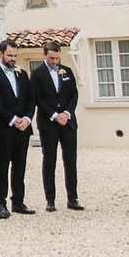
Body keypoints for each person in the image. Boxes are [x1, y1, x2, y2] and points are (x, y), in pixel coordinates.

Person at [30, 41, 84, 210]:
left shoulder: (67, 71)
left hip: (68, 122)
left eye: (57, 58)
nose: (54, 61)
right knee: (49, 160)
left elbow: (74, 95)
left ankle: (73, 198)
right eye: (51, 58)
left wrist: (67, 113)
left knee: (70, 160)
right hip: (48, 123)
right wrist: (54, 115)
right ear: (44, 55)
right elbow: (37, 98)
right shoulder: (37, 74)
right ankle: (50, 200)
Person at [0, 39, 37, 215]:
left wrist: (27, 119)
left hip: (23, 128)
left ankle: (18, 201)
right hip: (3, 128)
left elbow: (31, 99)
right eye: (9, 55)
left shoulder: (21, 73)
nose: (13, 59)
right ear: (0, 54)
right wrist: (13, 119)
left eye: (15, 55)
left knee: (20, 166)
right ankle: (1, 202)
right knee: (2, 166)